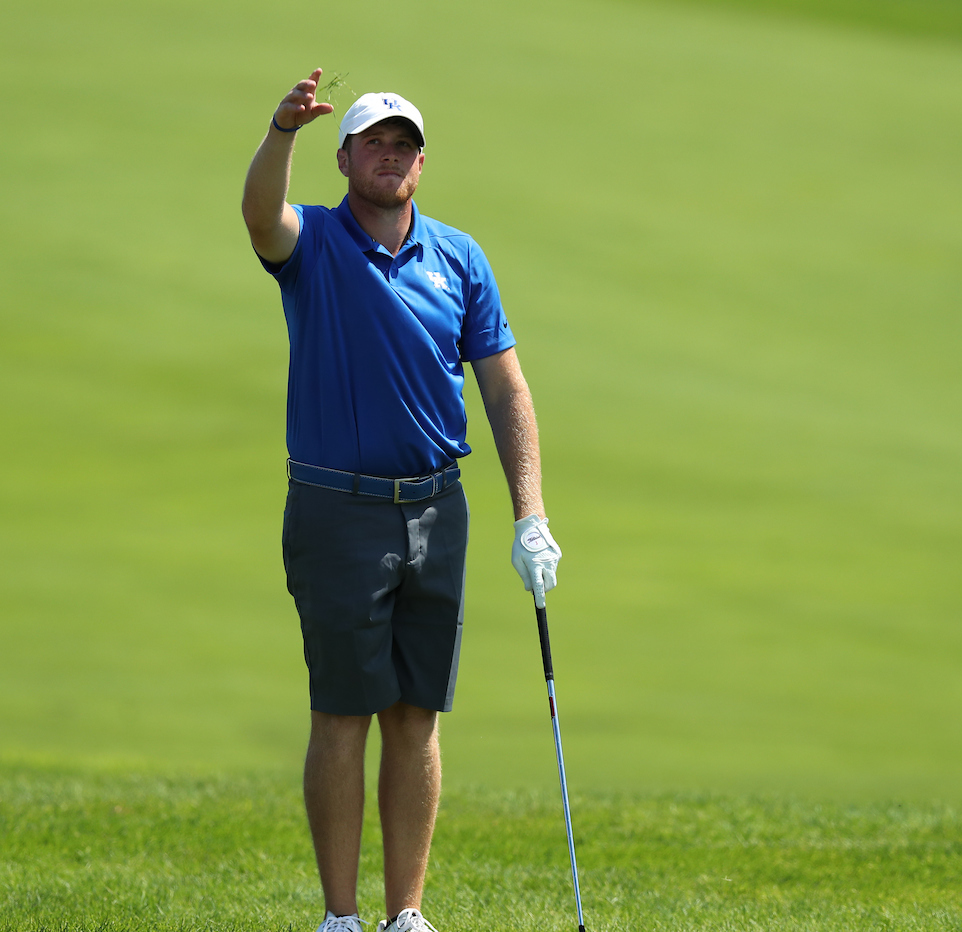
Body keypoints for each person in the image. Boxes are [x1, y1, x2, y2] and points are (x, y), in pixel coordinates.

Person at [241, 69, 563, 932]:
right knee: (343, 712)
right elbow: (259, 216)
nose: (391, 158)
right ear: (345, 158)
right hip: (337, 510)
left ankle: (405, 916)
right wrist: (281, 133)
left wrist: (529, 512)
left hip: (435, 510)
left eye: (404, 147)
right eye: (374, 145)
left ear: (422, 164)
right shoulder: (311, 242)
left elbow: (505, 388)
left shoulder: (460, 257)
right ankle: (341, 918)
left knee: (417, 714)